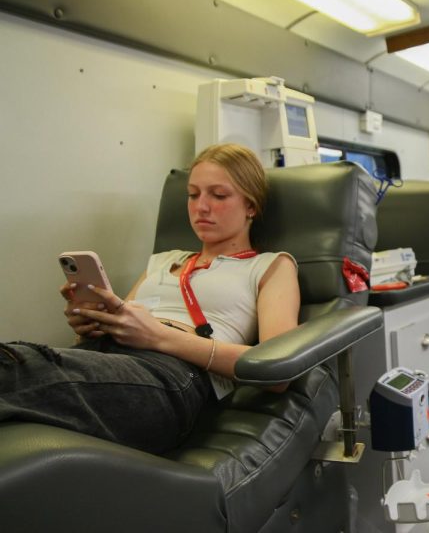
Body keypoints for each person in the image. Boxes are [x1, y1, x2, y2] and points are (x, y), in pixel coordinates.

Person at [0, 143, 300, 454]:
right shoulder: (163, 260)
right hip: (108, 358)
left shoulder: (270, 266)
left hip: (170, 374)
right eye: (193, 194)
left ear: (251, 206)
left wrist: (158, 336)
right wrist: (88, 325)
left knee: (16, 367)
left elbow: (276, 371)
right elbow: (116, 332)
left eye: (219, 195)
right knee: (18, 363)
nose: (201, 207)